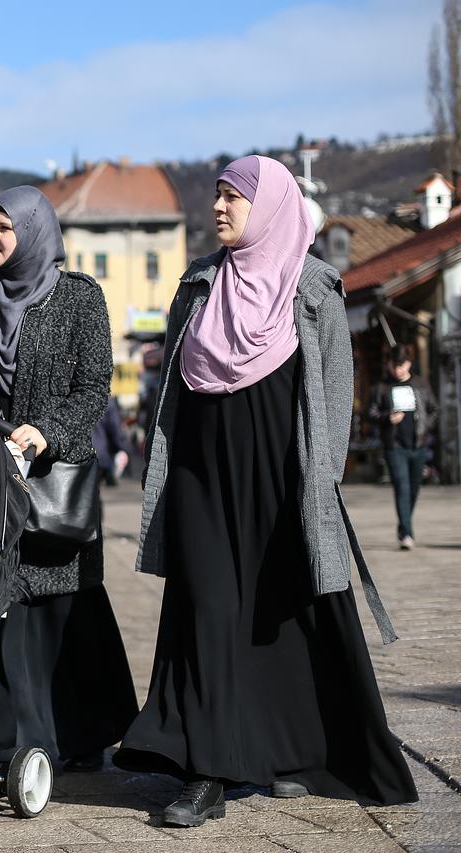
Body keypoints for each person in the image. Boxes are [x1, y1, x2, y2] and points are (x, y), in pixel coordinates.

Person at [115, 155, 416, 827]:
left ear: (271, 206)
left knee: (282, 611)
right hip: (200, 478)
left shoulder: (314, 288)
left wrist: (321, 480)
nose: (219, 207)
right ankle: (207, 769)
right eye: (217, 195)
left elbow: (335, 391)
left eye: (233, 197)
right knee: (207, 609)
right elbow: (175, 391)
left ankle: (289, 752)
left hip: (281, 481)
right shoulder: (198, 285)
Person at [0, 186, 137, 786]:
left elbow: (94, 385)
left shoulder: (78, 297)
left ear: (34, 232)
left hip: (51, 482)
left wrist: (48, 432)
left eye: (5, 227)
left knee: (62, 606)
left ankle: (82, 733)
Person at [367, 344, 437, 550]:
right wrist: (387, 418)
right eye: (394, 365)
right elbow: (370, 413)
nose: (398, 369)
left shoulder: (421, 384)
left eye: (401, 364)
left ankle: (403, 526)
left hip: (418, 445)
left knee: (414, 488)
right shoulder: (381, 387)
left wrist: (426, 427)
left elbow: (433, 409)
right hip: (394, 446)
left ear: (409, 363)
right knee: (402, 487)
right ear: (388, 364)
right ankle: (406, 533)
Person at [92, 396, 129, 486]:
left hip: (72, 456)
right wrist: (122, 448)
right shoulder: (105, 399)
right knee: (92, 489)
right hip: (99, 455)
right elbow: (115, 428)